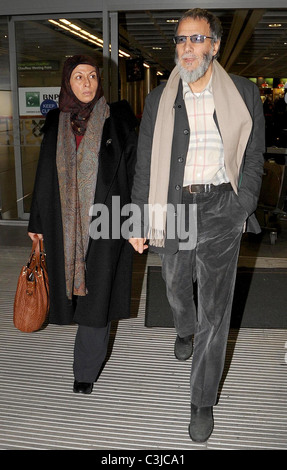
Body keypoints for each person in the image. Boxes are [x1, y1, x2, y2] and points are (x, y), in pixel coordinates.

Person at [129, 8, 265, 442]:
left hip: (222, 207)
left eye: (196, 39)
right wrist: (137, 219)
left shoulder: (243, 93)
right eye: (181, 40)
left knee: (216, 309)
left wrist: (242, 205)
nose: (187, 48)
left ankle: (201, 401)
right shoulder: (161, 98)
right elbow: (146, 163)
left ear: (215, 45)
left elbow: (253, 158)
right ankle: (182, 328)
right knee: (173, 283)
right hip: (173, 206)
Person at [28, 54, 138, 394]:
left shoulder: (118, 119)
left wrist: (137, 222)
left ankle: (85, 370)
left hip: (107, 221)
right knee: (70, 291)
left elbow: (135, 174)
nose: (87, 83)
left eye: (92, 76)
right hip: (63, 222)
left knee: (98, 296)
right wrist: (37, 221)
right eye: (79, 77)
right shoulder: (54, 122)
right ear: (67, 83)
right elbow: (43, 174)